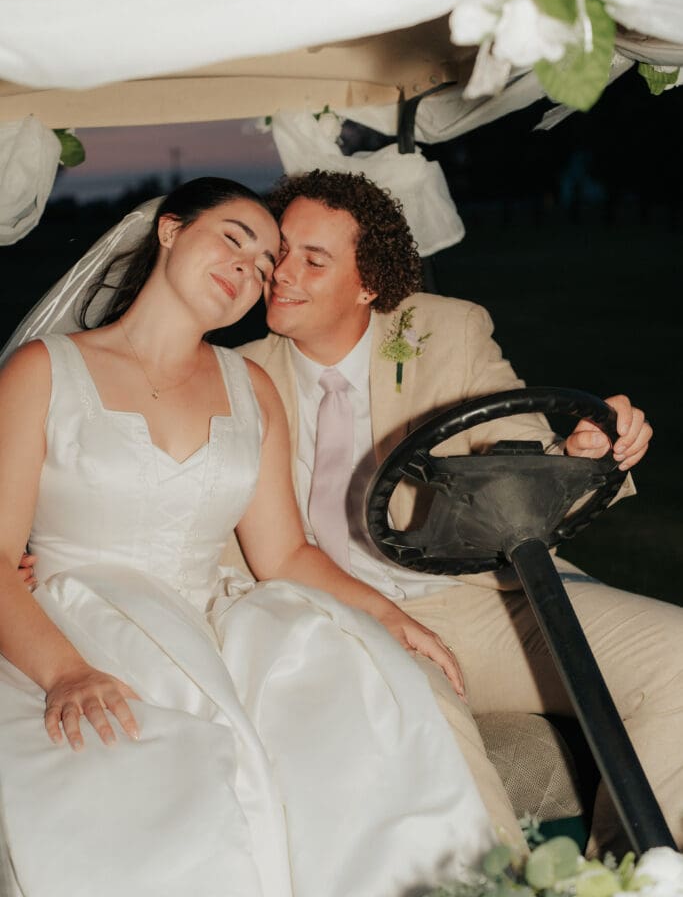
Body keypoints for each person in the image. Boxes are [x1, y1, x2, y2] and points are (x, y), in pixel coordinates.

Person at [0, 177, 495, 897]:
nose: (251, 269)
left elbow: (284, 554)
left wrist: (390, 616)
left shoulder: (249, 386)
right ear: (171, 231)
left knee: (357, 707)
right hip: (77, 628)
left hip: (215, 616)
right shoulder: (46, 370)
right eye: (234, 239)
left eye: (266, 265)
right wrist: (66, 673)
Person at [229, 169, 682, 857]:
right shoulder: (237, 371)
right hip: (333, 617)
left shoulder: (445, 329)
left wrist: (585, 450)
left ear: (368, 283)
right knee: (424, 716)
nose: (281, 273)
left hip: (469, 599)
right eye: (279, 250)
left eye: (313, 259)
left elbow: (515, 442)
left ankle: (626, 871)